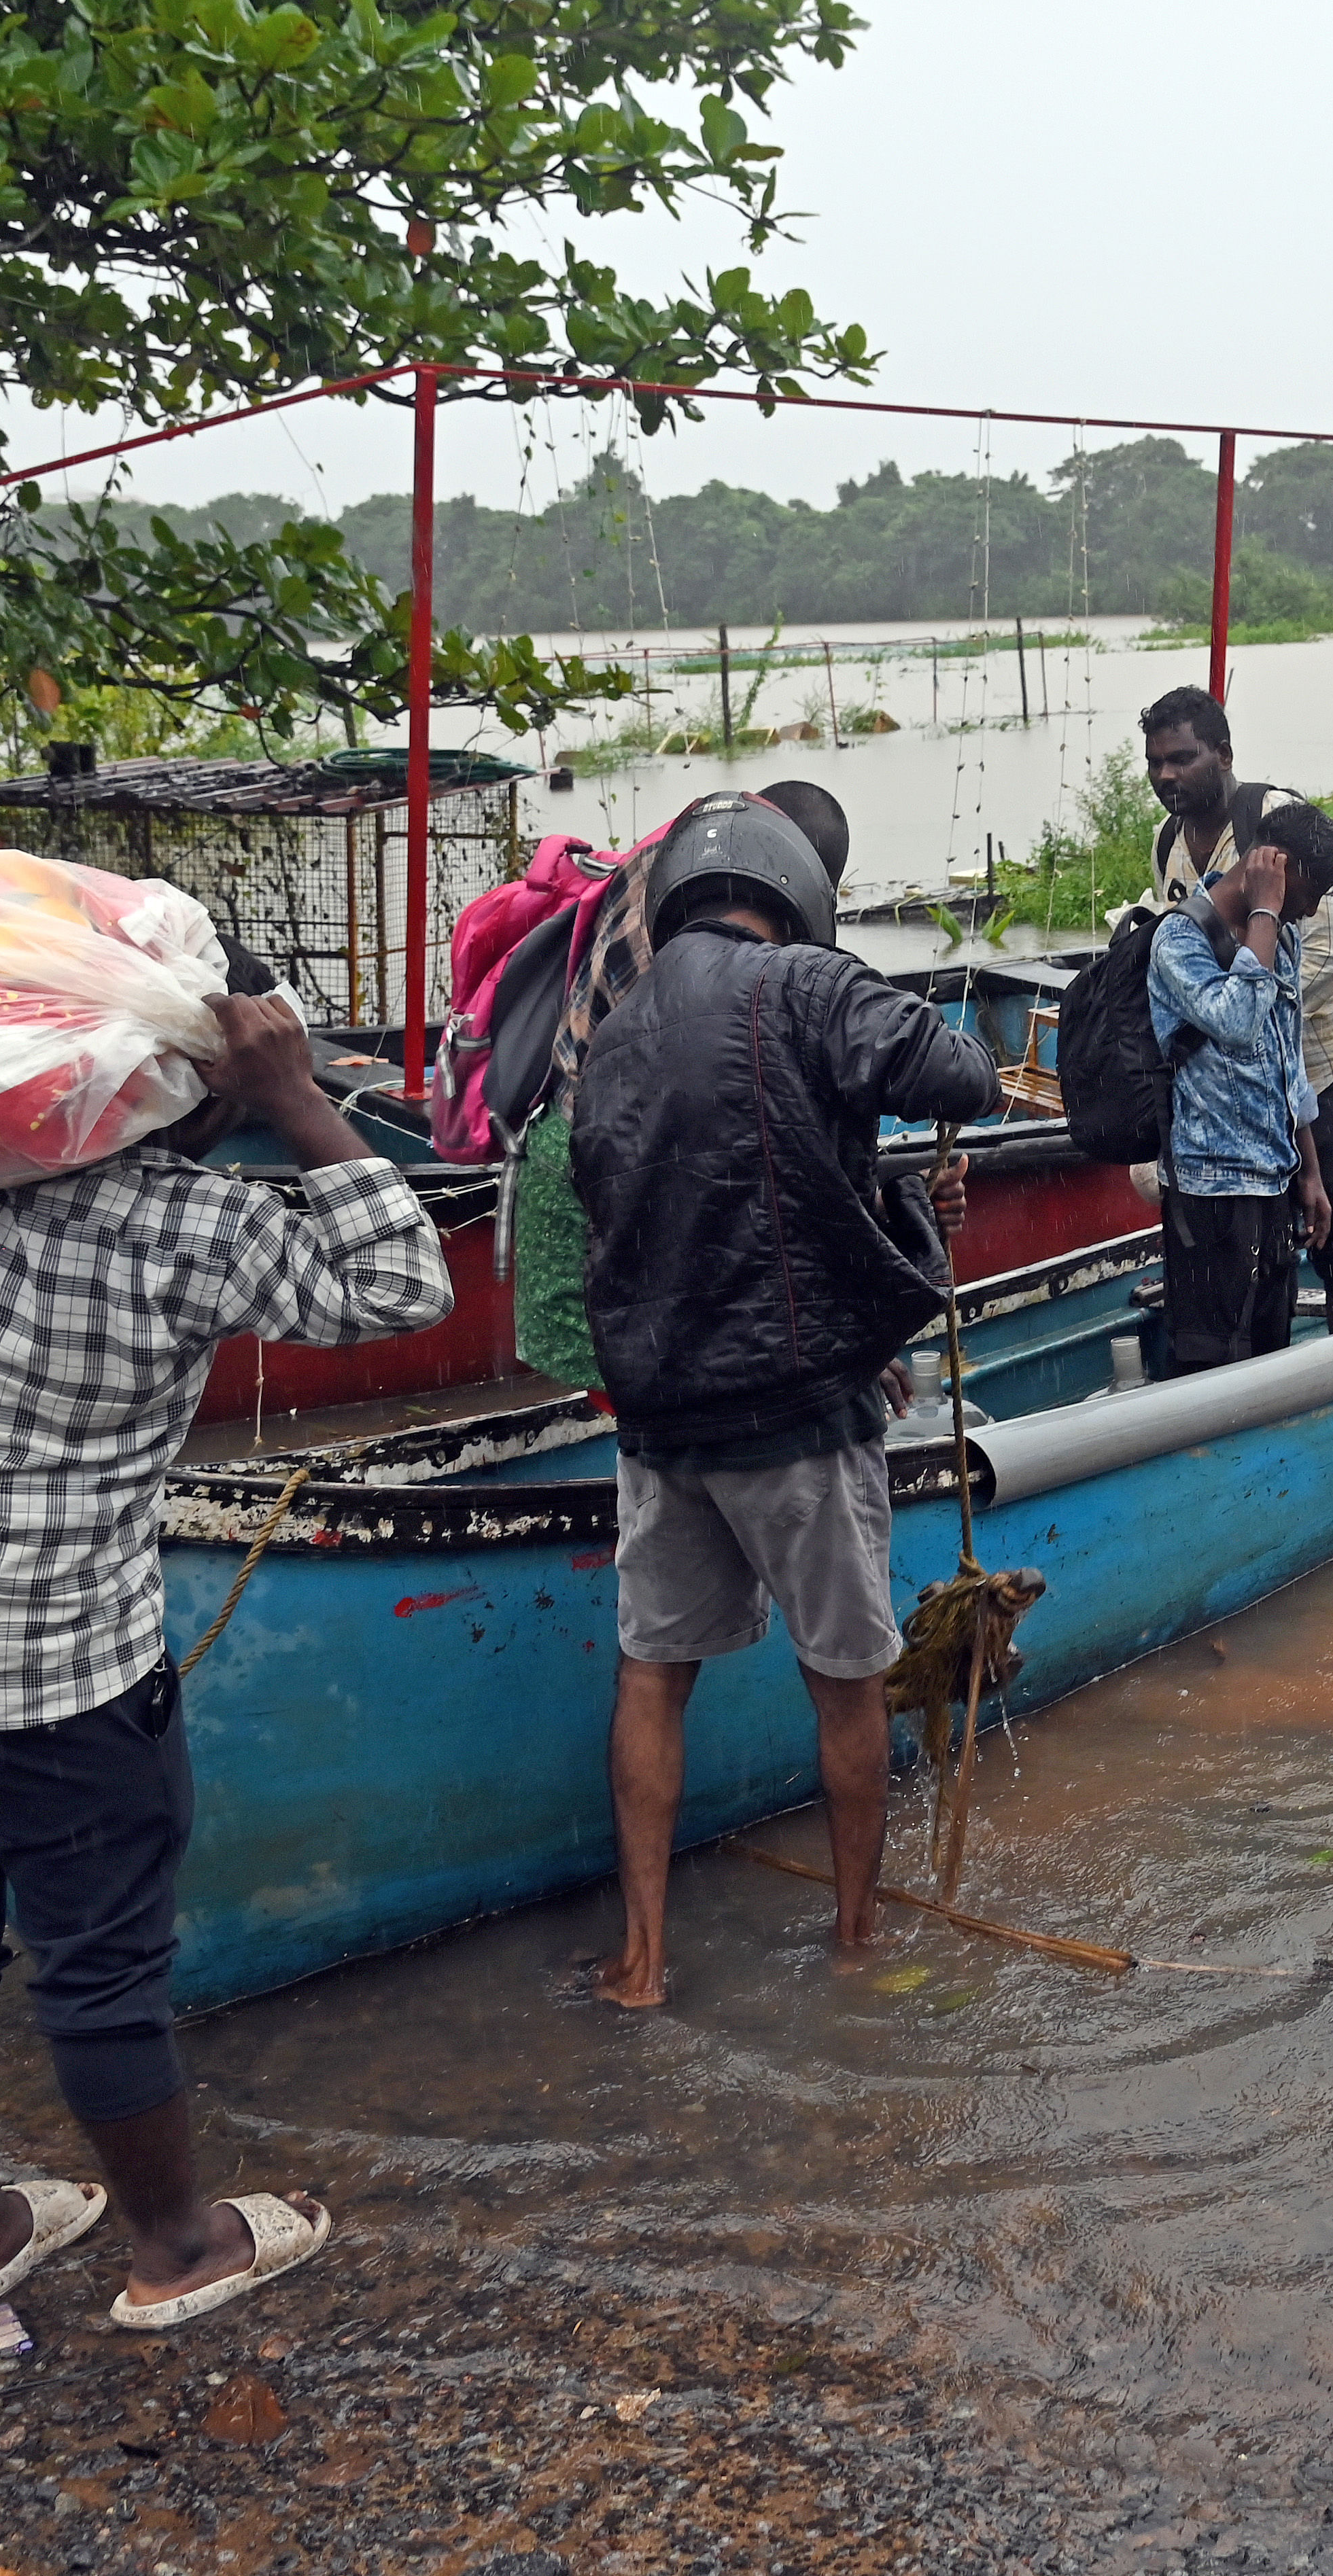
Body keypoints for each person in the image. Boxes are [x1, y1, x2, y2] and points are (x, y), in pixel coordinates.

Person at [0, 951, 453, 2332]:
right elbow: (402, 1279)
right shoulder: (187, 1222)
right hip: (53, 1670)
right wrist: (295, 1102)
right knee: (99, 1961)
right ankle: (175, 2245)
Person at [564, 792, 1000, 2008]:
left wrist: (881, 1188)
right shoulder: (807, 983)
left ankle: (641, 1959)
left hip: (657, 1424)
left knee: (653, 1671)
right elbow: (961, 1070)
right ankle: (856, 1931)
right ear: (794, 899)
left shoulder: (614, 1027)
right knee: (846, 1679)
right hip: (796, 1415)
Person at [515, 779, 854, 1390]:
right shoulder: (724, 940)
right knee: (635, 1387)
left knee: (601, 1392)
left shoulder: (676, 858)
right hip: (609, 1168)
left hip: (565, 1139)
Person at [1139, 687, 1333, 1330]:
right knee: (1257, 1253)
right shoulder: (1170, 840)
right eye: (1157, 762)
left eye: (1184, 758)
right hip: (1238, 1095)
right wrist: (1226, 1018)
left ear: (1223, 754)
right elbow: (1187, 954)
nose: (1168, 775)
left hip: (1318, 1055)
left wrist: (1239, 1017)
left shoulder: (1280, 831)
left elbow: (1328, 955)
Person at [1147, 804, 1333, 1375]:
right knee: (1212, 1364)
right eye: (1307, 895)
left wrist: (1309, 1172)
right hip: (1211, 1191)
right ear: (1276, 869)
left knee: (1269, 1355)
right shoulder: (1180, 938)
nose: (1308, 911)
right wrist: (1265, 909)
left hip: (1273, 1182)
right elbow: (1236, 1022)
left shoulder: (1277, 938)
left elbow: (1291, 1062)